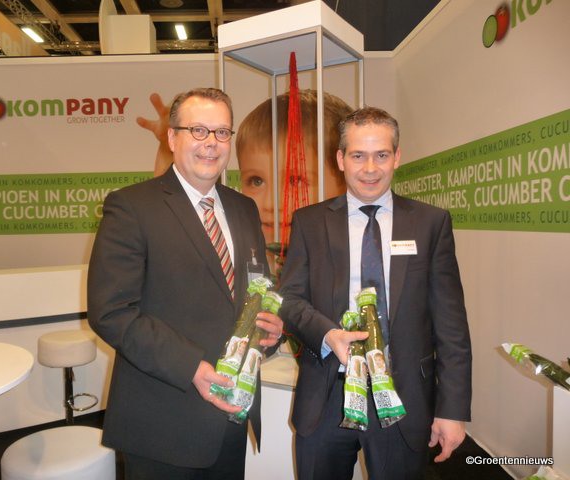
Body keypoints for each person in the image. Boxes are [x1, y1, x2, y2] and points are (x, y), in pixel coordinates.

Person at [88, 87, 283, 480]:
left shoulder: (244, 209)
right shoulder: (132, 207)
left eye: (222, 132)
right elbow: (111, 313)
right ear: (172, 138)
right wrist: (191, 367)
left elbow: (253, 291)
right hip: (165, 420)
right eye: (198, 130)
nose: (211, 143)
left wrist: (270, 329)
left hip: (231, 411)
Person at [279, 106, 472, 479]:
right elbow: (290, 299)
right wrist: (327, 334)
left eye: (381, 155)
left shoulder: (430, 224)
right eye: (358, 156)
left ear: (397, 157)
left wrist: (452, 409)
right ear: (340, 159)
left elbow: (451, 325)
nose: (370, 168)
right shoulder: (310, 222)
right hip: (327, 394)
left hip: (403, 399)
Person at [136, 90, 353, 243]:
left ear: (347, 183)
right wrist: (169, 149)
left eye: (295, 181)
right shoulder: (240, 241)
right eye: (256, 181)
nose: (271, 204)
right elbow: (176, 216)